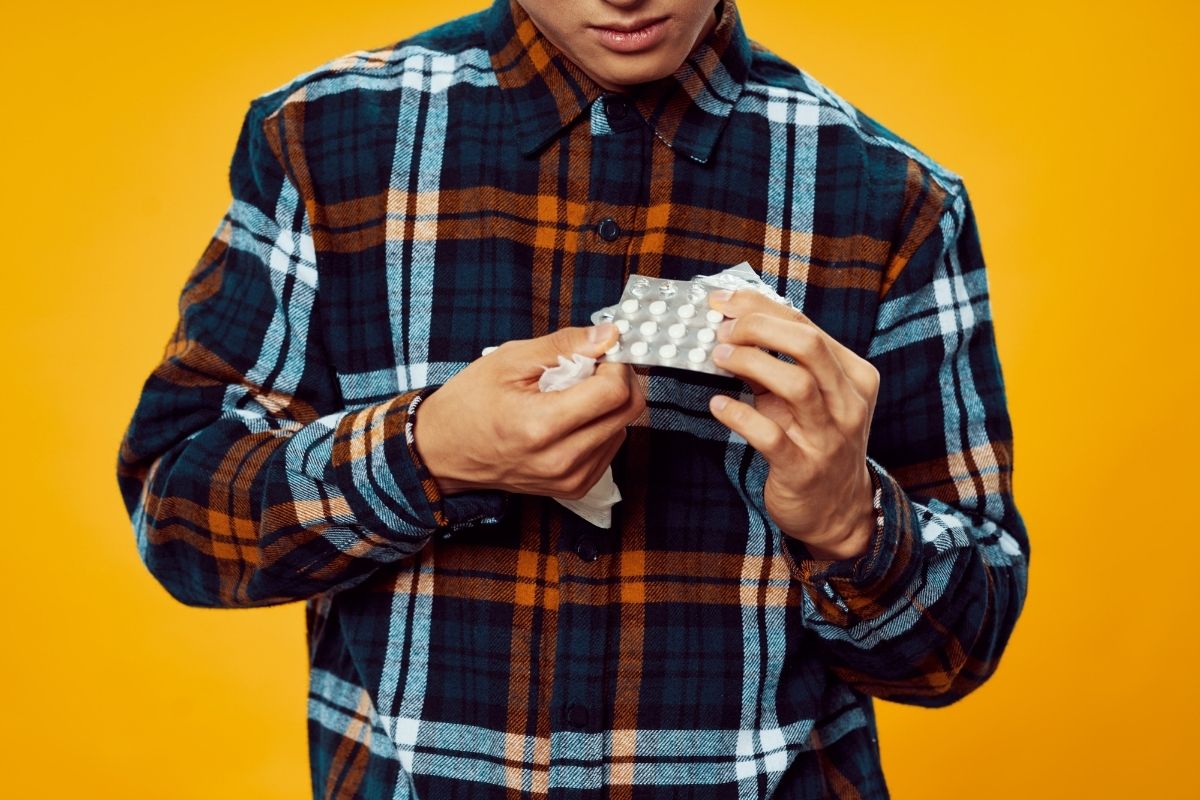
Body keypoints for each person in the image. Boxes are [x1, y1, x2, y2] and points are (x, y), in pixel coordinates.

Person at [115, 0, 1030, 796]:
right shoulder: (319, 139)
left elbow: (960, 647)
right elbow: (179, 513)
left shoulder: (896, 200)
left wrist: (850, 524)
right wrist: (427, 453)